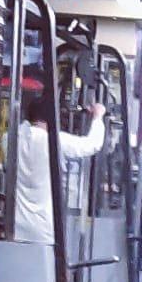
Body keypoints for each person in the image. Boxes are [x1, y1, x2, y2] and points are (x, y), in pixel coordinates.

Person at [13, 96, 106, 245]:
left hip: (15, 227)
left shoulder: (11, 139)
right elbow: (92, 144)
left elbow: (23, 129)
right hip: (43, 229)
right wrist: (98, 117)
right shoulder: (54, 141)